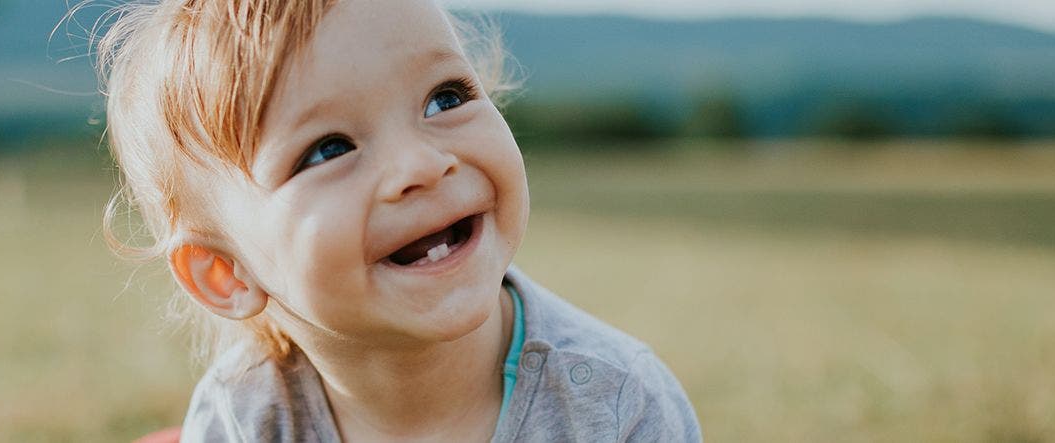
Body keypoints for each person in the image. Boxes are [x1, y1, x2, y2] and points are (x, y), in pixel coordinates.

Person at [97, 0, 701, 441]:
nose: (423, 164)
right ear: (224, 273)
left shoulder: (614, 406)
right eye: (329, 148)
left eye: (446, 98)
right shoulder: (246, 417)